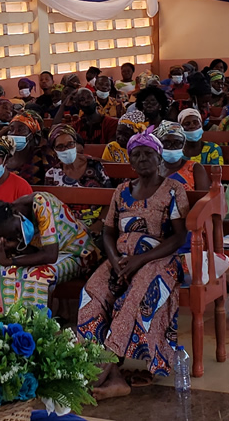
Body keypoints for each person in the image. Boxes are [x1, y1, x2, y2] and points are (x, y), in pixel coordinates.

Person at [78, 129, 190, 398]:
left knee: (135, 296)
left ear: (159, 156)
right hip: (122, 260)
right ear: (130, 161)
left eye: (147, 153)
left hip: (160, 260)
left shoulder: (173, 189)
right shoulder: (121, 191)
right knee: (93, 294)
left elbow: (178, 236)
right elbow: (108, 232)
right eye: (136, 155)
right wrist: (116, 263)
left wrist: (139, 260)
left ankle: (101, 370)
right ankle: (114, 377)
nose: (142, 159)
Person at [0, 192, 97, 313]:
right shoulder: (19, 217)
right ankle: (5, 323)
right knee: (0, 270)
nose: (18, 235)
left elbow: (50, 255)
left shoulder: (43, 205)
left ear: (16, 213)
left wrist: (9, 261)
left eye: (16, 231)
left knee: (37, 276)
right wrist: (15, 246)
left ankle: (36, 326)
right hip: (51, 255)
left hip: (77, 254)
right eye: (11, 236)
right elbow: (34, 252)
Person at [45, 124, 112, 234]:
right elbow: (51, 209)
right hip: (66, 227)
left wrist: (99, 223)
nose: (66, 149)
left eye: (70, 144)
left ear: (75, 144)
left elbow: (110, 199)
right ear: (54, 150)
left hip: (97, 223)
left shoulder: (95, 165)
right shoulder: (52, 174)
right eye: (60, 146)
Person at [154, 122, 209, 190]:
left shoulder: (195, 168)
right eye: (166, 143)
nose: (172, 147)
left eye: (177, 143)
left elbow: (204, 198)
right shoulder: (154, 169)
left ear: (183, 145)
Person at [5, 112, 50, 185]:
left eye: (21, 129)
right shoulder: (3, 157)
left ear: (31, 135)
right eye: (11, 129)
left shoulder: (42, 155)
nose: (14, 133)